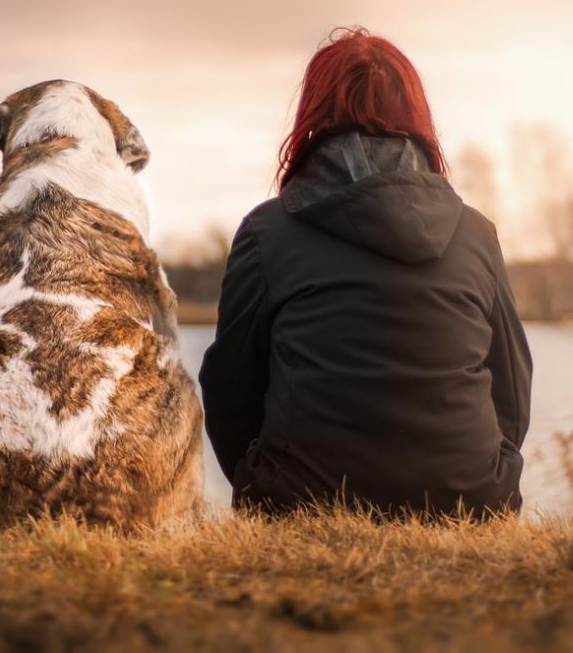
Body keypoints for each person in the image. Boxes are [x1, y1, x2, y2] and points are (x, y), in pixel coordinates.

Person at [198, 27, 533, 518]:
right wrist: (486, 474)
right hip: (470, 502)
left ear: (313, 115)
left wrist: (260, 481)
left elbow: (230, 389)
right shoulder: (476, 233)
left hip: (301, 501)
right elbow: (512, 387)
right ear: (416, 116)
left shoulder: (267, 232)